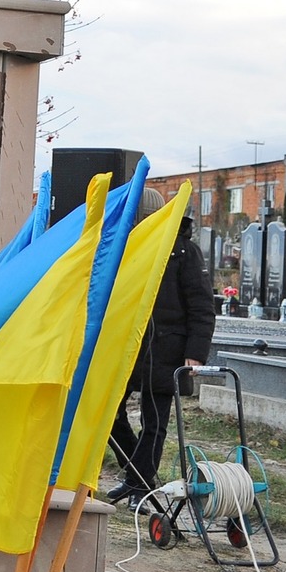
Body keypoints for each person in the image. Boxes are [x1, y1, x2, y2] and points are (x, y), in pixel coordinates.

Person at [104, 193, 216, 504]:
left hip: (168, 349)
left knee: (154, 423)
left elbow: (202, 306)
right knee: (109, 416)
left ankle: (138, 484)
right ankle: (138, 473)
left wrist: (195, 353)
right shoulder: (129, 246)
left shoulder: (185, 253)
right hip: (130, 348)